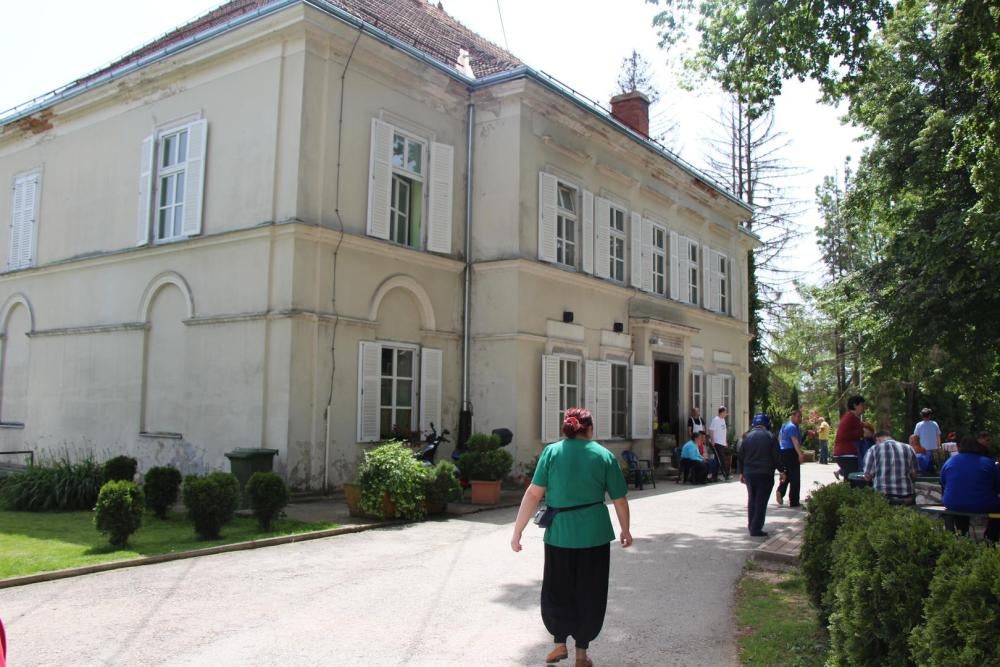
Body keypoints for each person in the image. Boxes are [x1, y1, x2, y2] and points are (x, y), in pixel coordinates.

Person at [511, 407, 632, 667]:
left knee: (558, 588)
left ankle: (558, 643)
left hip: (559, 536)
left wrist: (518, 530)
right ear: (589, 429)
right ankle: (581, 655)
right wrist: (625, 529)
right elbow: (620, 500)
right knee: (590, 592)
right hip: (594, 536)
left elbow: (533, 494)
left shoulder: (551, 452)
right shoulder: (603, 455)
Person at [939, 435, 1000, 542]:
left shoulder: (950, 461)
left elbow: (943, 483)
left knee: (959, 504)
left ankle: (963, 535)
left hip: (953, 503)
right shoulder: (988, 463)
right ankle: (990, 539)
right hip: (984, 504)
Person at [739, 413, 781, 537]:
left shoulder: (746, 437)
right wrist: (782, 470)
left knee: (752, 498)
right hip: (765, 473)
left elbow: (741, 456)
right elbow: (776, 456)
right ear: (766, 424)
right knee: (761, 501)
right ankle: (756, 528)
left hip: (750, 474)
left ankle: (752, 524)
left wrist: (742, 473)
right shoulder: (770, 437)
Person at [862, 430, 919, 505]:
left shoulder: (873, 449)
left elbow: (867, 476)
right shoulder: (909, 448)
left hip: (883, 497)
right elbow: (914, 475)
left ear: (877, 439)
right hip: (907, 497)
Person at [775, 409, 804, 507]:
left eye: (801, 416)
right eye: (798, 416)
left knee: (786, 474)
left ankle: (780, 491)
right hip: (791, 452)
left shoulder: (784, 425)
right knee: (795, 477)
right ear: (793, 416)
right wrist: (800, 454)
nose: (800, 419)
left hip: (783, 452)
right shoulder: (792, 427)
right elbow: (795, 441)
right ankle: (794, 501)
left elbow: (779, 439)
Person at [833, 395, 866, 480]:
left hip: (845, 453)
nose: (864, 407)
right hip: (847, 453)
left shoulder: (852, 418)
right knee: (852, 480)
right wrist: (863, 432)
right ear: (855, 405)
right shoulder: (850, 417)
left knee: (851, 479)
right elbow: (845, 434)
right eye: (862, 405)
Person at [708, 406, 730, 480]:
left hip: (722, 443)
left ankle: (714, 476)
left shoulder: (723, 420)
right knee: (722, 459)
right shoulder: (716, 420)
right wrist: (713, 440)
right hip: (717, 442)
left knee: (718, 460)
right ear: (722, 412)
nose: (726, 413)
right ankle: (726, 475)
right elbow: (711, 430)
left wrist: (725, 441)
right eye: (725, 412)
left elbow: (724, 431)